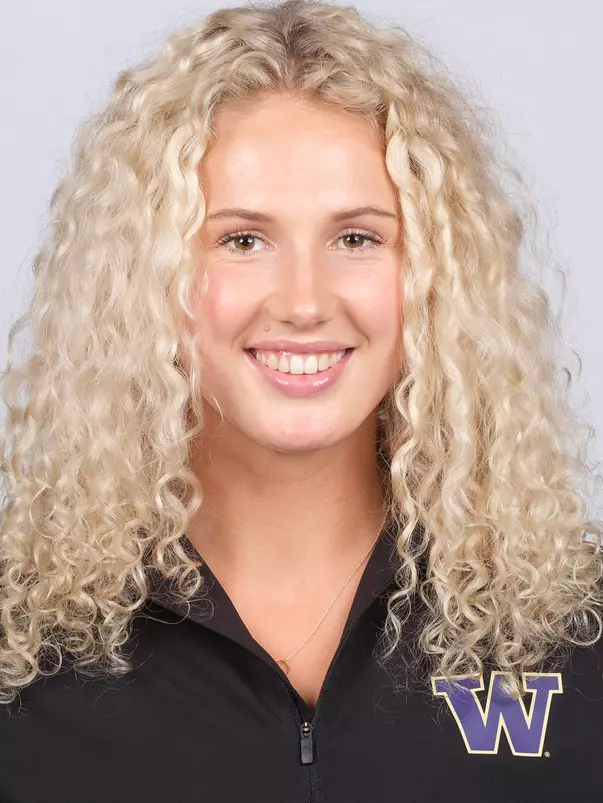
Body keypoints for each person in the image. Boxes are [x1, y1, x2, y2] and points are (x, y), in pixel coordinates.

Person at [0, 0, 601, 800]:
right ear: (143, 278)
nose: (305, 301)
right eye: (242, 239)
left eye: (356, 238)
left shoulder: (573, 630)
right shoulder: (22, 648)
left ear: (437, 277)